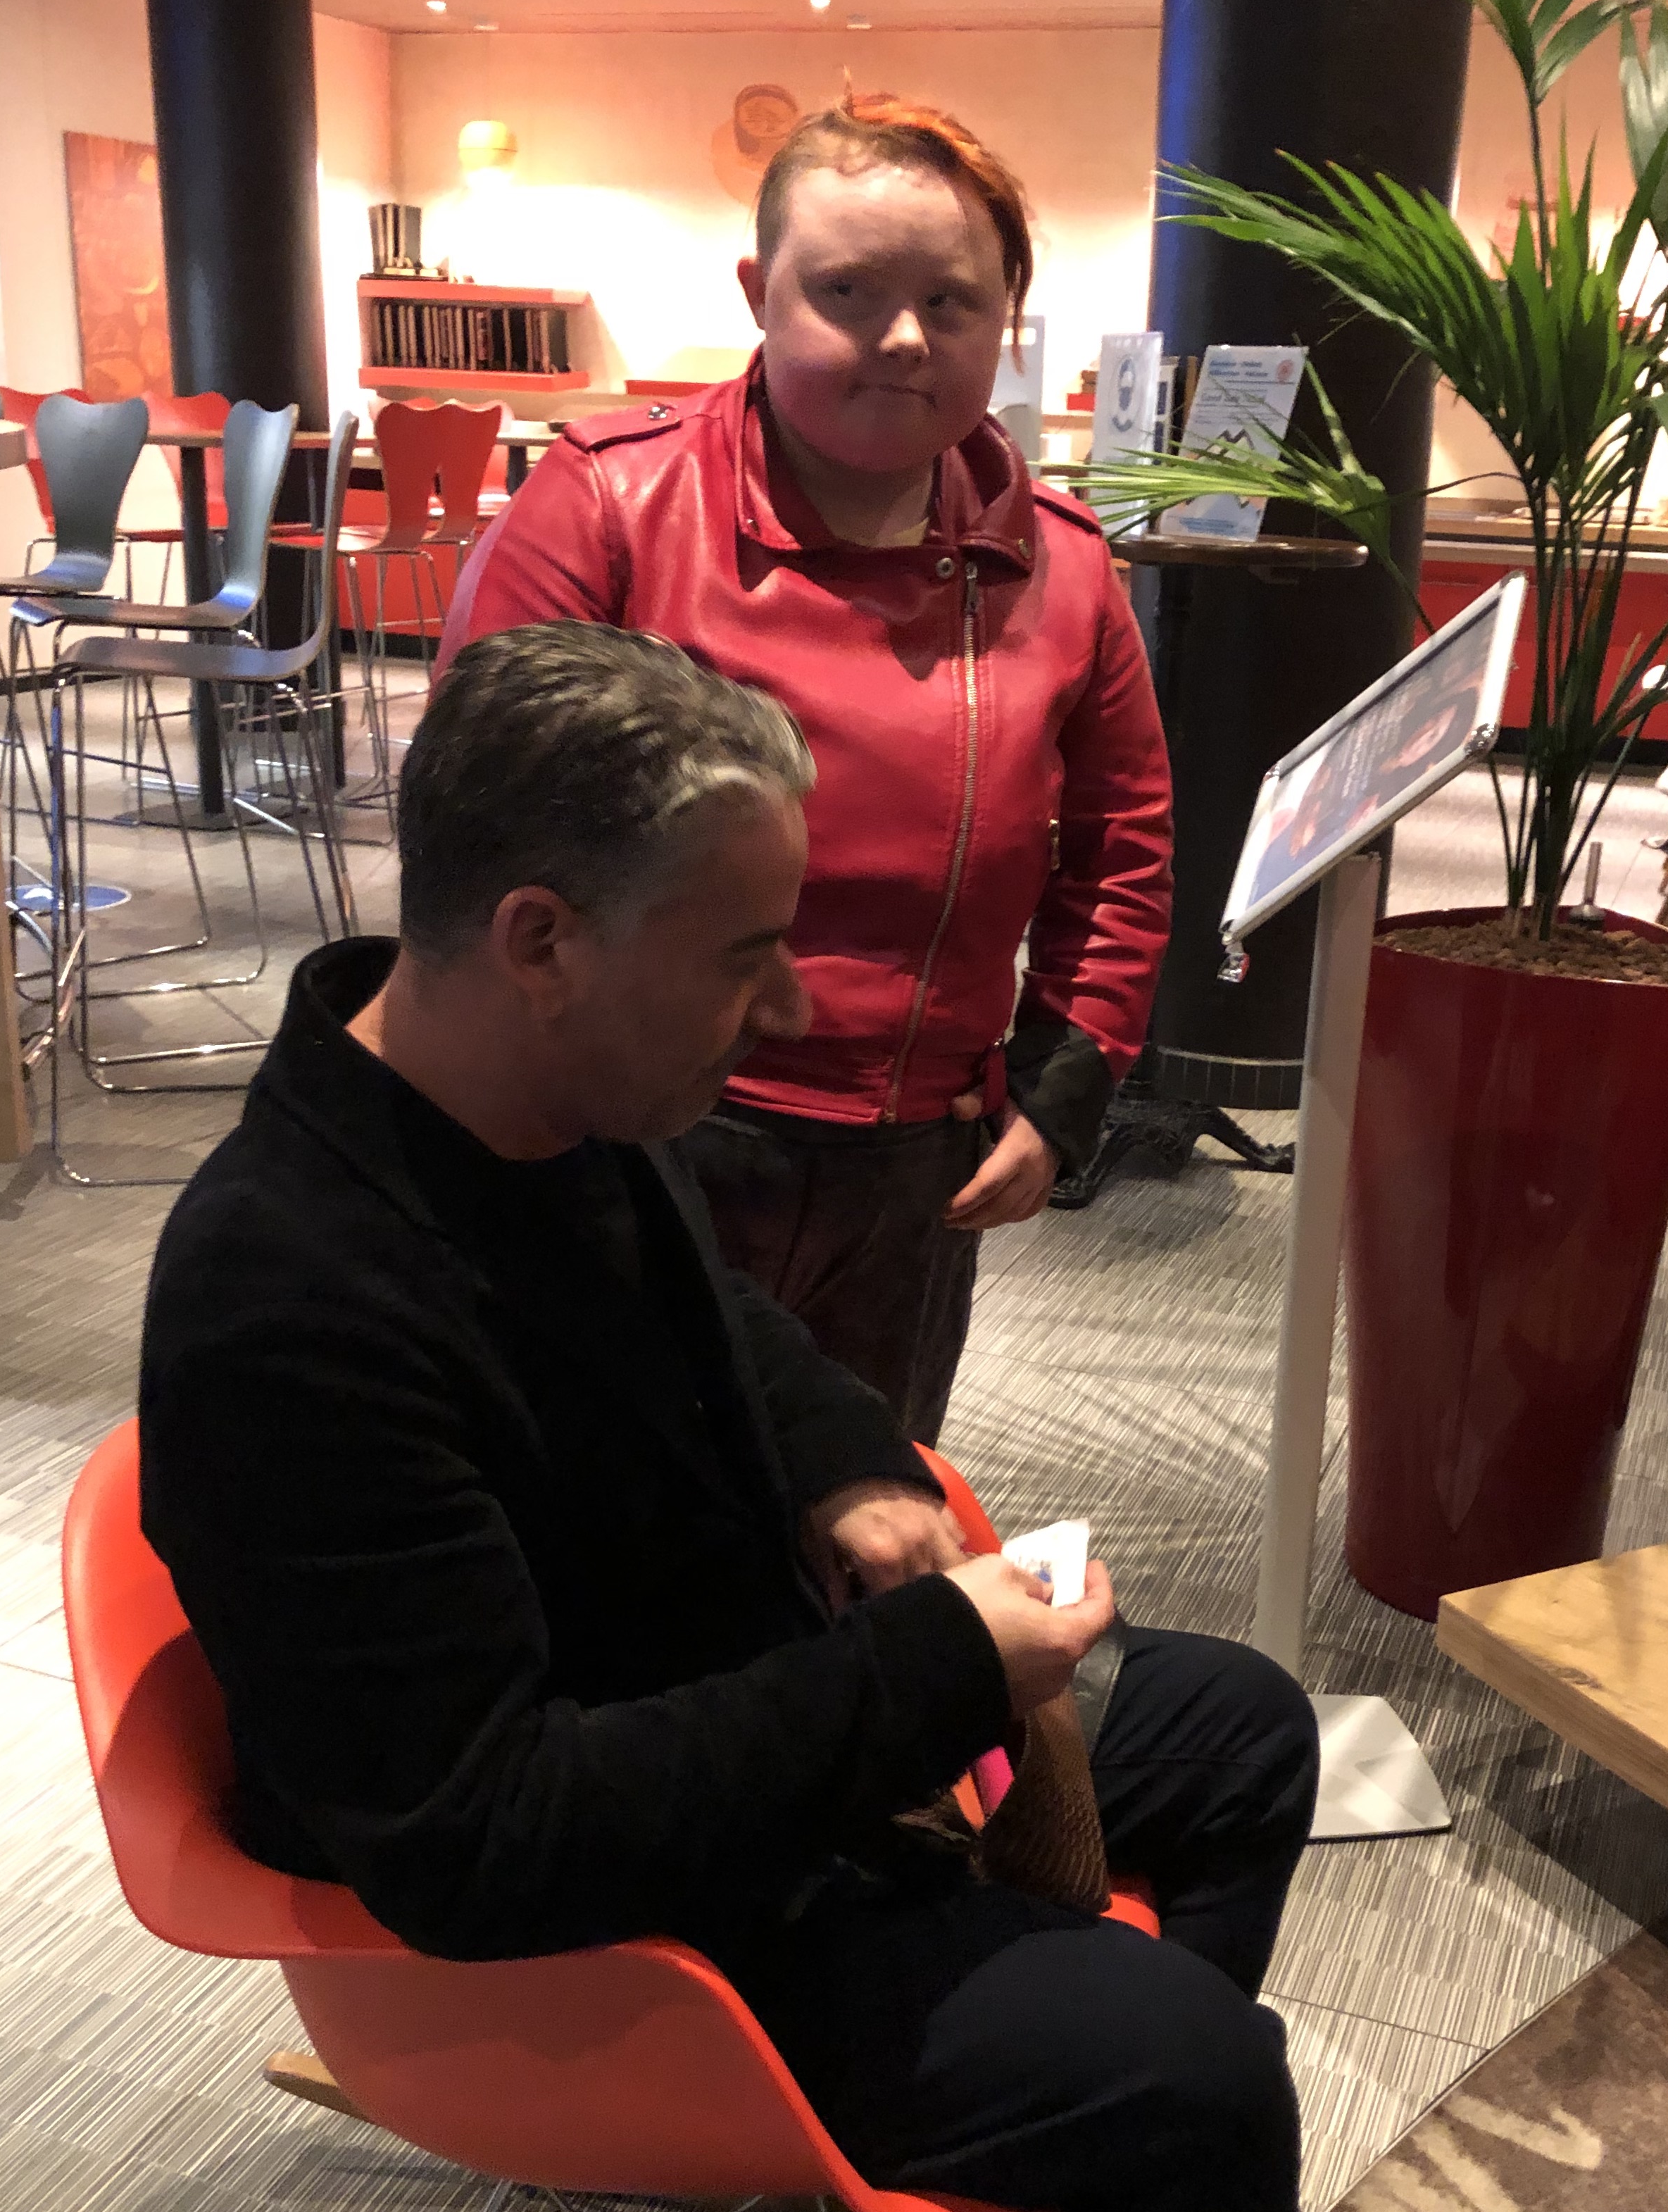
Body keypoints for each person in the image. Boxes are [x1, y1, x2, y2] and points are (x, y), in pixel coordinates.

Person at [139, 626, 1527, 2212]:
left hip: (734, 1734)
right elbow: (486, 1844)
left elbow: (733, 1343)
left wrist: (857, 1475)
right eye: (743, 952)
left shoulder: (546, 1113)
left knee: (1235, 1735)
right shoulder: (292, 1303)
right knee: (1198, 2068)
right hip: (617, 1939)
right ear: (542, 942)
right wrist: (937, 1665)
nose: (791, 1003)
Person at [437, 92, 1173, 1444]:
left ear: (1005, 321)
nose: (904, 338)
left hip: (915, 1162)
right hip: (635, 1129)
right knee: (602, 1488)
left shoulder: (1064, 565)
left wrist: (1062, 1092)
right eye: (847, 291)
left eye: (952, 303)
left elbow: (1124, 846)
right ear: (759, 294)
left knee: (864, 1499)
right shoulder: (605, 505)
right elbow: (478, 840)